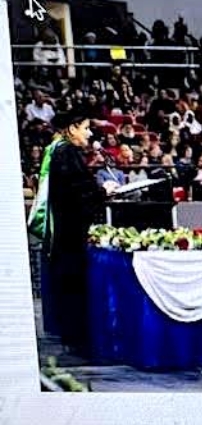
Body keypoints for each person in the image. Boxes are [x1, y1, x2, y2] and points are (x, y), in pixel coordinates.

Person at [43, 111, 113, 353]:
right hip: (70, 232)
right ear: (72, 129)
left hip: (66, 230)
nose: (90, 133)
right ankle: (76, 339)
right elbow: (78, 193)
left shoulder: (59, 150)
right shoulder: (66, 152)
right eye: (86, 127)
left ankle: (73, 336)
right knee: (73, 284)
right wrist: (104, 191)